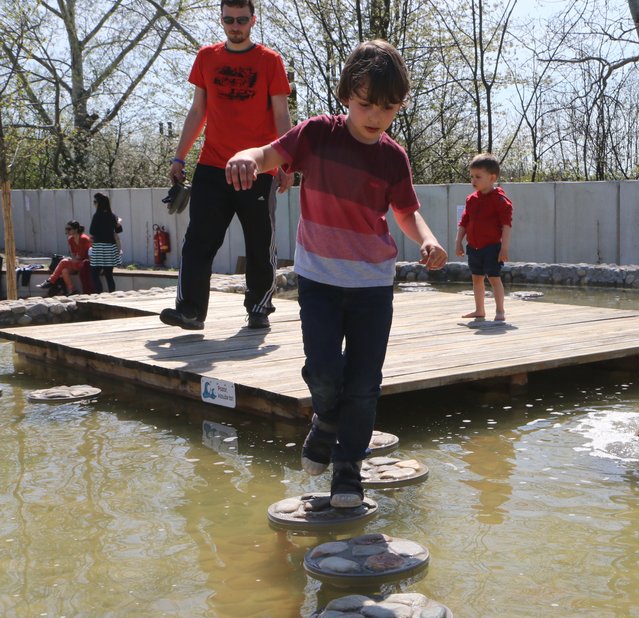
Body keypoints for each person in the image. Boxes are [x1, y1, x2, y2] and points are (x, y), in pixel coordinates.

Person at [225, 40, 448, 508]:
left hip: (371, 285)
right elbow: (268, 154)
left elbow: (405, 212)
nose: (375, 116)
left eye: (387, 108)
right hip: (320, 281)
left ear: (400, 105)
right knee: (323, 371)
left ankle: (347, 470)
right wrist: (246, 155)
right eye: (366, 104)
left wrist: (426, 238)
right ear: (347, 94)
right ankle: (325, 418)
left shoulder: (393, 157)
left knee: (365, 382)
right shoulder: (315, 135)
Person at [160, 0, 293, 331]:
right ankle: (190, 310)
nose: (235, 26)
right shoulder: (207, 57)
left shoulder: (270, 61)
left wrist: (288, 162)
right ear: (220, 19)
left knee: (260, 243)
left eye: (242, 20)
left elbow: (281, 114)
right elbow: (197, 112)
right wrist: (179, 156)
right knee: (198, 241)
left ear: (252, 20)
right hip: (212, 166)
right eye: (229, 20)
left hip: (257, 169)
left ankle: (259, 308)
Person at [454, 153, 513, 321]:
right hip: (474, 247)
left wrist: (504, 248)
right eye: (471, 176)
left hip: (492, 247)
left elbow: (507, 225)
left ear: (492, 178)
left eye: (478, 177)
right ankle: (479, 309)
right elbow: (464, 222)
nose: (473, 180)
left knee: (494, 278)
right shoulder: (471, 200)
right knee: (476, 278)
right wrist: (458, 242)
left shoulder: (500, 200)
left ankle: (500, 310)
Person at [37, 221, 91, 295]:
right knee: (64, 270)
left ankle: (51, 281)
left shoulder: (84, 239)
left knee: (64, 261)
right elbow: (74, 255)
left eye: (69, 229)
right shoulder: (71, 239)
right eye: (66, 229)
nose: (67, 231)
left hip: (86, 264)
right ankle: (72, 290)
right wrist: (72, 259)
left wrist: (72, 259)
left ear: (76, 229)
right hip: (78, 263)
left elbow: (81, 256)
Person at [89, 192, 123, 293]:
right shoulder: (112, 215)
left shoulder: (96, 215)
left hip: (99, 247)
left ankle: (99, 294)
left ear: (99, 203)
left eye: (95, 202)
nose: (94, 204)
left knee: (95, 273)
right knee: (109, 274)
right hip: (110, 247)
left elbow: (92, 231)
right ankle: (112, 294)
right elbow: (118, 230)